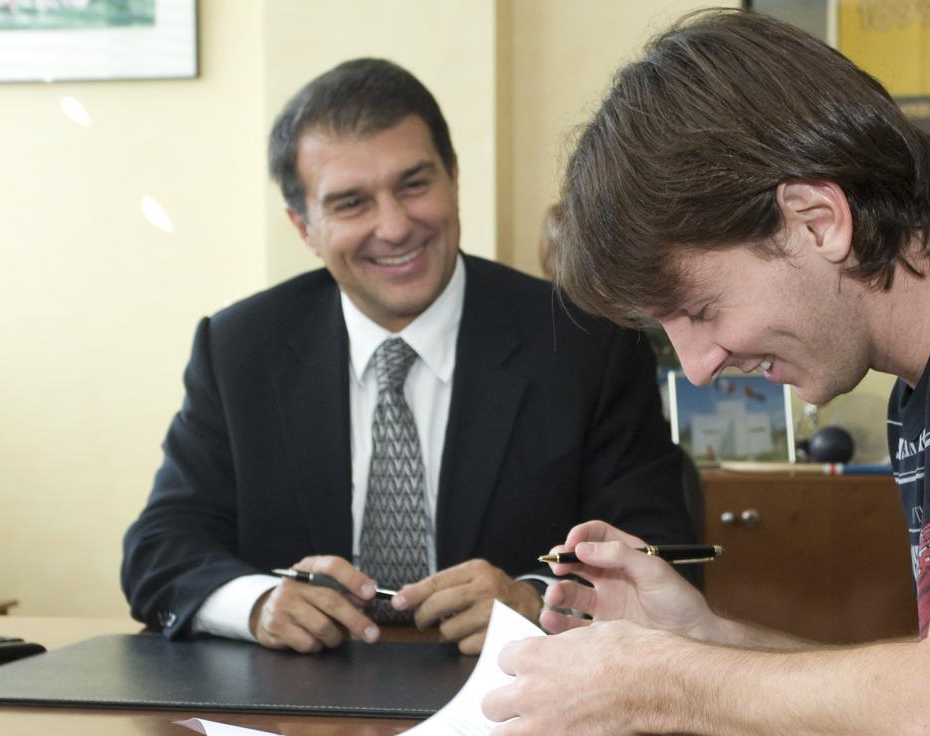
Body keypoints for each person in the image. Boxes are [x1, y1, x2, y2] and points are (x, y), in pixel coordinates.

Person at [481, 9, 930, 736]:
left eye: (701, 311)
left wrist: (657, 679)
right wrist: (707, 640)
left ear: (818, 221)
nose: (700, 368)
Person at [120, 58, 692, 656]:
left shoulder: (583, 342)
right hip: (297, 717)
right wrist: (260, 605)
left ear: (454, 178)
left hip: (520, 704)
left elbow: (663, 558)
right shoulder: (239, 350)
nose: (394, 227)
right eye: (351, 204)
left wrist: (534, 602)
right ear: (304, 226)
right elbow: (160, 550)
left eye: (414, 185)